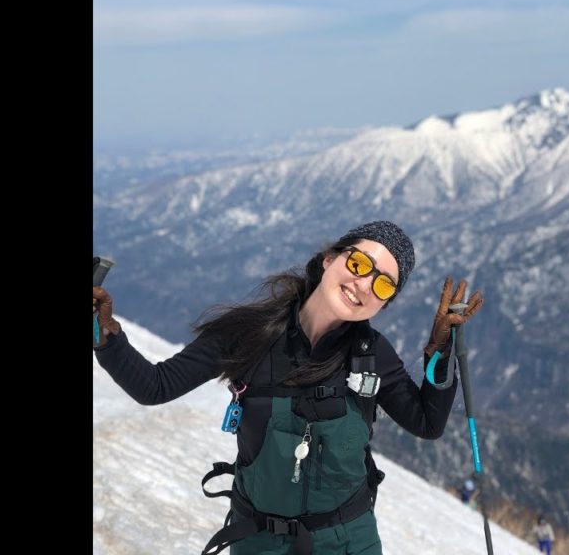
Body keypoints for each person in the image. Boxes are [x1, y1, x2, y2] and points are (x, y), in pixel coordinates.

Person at [93, 220, 484, 555]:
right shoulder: (249, 335)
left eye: (383, 286)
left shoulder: (371, 353)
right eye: (359, 264)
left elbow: (427, 423)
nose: (364, 285)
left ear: (383, 304)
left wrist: (440, 351)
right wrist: (105, 335)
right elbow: (155, 386)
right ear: (330, 258)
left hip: (350, 540)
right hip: (260, 539)